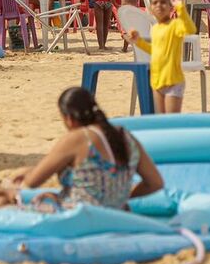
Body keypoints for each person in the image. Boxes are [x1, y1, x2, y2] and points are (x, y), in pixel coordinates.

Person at [13, 87, 163, 210]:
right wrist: (119, 198)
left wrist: (28, 173)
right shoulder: (126, 137)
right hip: (118, 216)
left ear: (69, 119)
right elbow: (155, 183)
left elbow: (31, 183)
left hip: (80, 219)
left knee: (9, 203)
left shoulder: (77, 138)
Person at [125, 0, 196, 113]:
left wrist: (181, 8)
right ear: (151, 9)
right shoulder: (155, 28)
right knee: (161, 119)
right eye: (155, 2)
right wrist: (139, 41)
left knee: (171, 121)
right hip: (157, 81)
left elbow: (190, 29)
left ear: (171, 7)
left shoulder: (175, 25)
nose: (159, 5)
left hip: (173, 81)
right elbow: (156, 51)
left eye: (163, 2)